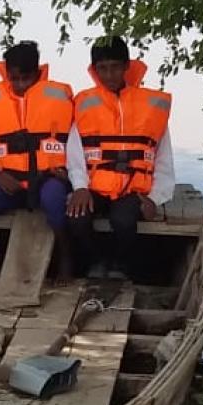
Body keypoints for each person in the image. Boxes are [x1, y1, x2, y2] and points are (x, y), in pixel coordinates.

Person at [0, 41, 83, 285]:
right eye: (14, 79)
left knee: (53, 200)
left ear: (38, 74)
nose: (19, 85)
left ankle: (66, 261)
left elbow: (74, 145)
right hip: (10, 182)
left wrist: (71, 176)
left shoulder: (60, 100)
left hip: (48, 179)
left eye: (25, 78)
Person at [67, 36, 175, 279]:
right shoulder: (84, 103)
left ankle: (121, 265)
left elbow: (163, 158)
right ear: (94, 70)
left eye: (115, 67)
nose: (109, 74)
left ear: (127, 66)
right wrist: (80, 187)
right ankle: (95, 260)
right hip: (96, 186)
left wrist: (155, 199)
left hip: (134, 190)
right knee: (77, 217)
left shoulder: (151, 105)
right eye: (102, 69)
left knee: (123, 220)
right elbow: (74, 152)